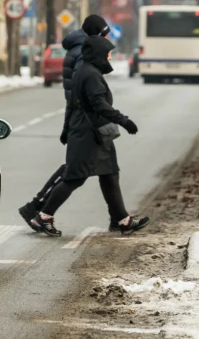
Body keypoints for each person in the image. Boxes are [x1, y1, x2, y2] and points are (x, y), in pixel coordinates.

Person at [30, 36, 150, 236]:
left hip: (95, 133)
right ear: (98, 54)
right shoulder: (90, 74)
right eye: (107, 54)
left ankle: (123, 220)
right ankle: (43, 217)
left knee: (109, 174)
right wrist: (123, 120)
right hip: (87, 135)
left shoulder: (87, 70)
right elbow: (99, 104)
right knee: (74, 177)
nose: (110, 57)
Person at [18, 14, 120, 230]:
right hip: (86, 120)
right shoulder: (85, 51)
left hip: (82, 118)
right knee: (75, 171)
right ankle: (38, 209)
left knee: (103, 169)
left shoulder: (78, 46)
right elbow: (83, 90)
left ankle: (119, 217)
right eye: (105, 34)